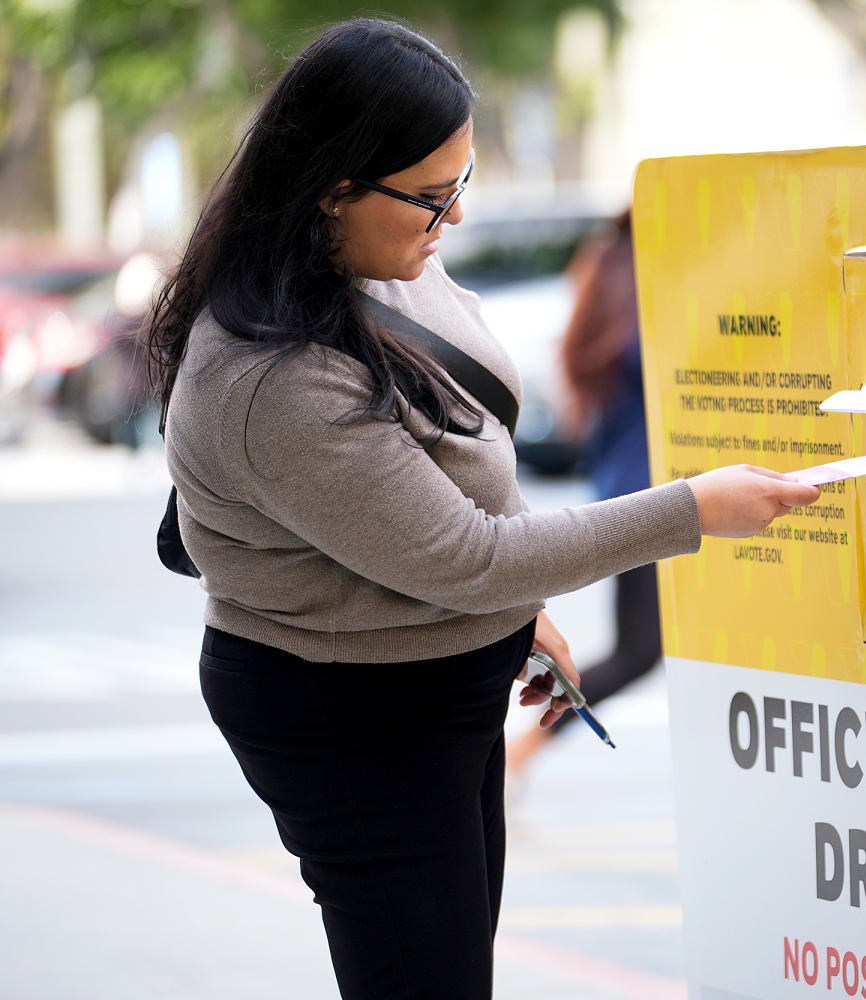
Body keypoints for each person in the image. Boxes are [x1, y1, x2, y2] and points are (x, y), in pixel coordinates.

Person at [143, 19, 819, 1000]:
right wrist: (691, 511)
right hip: (353, 714)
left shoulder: (377, 258)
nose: (452, 219)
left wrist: (516, 619)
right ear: (332, 186)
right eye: (431, 196)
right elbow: (464, 556)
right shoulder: (271, 375)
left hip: (432, 676)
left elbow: (454, 486)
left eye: (463, 184)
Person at [506, 209, 658, 775]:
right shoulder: (648, 284)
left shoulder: (609, 268)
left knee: (643, 648)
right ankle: (518, 756)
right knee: (640, 651)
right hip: (657, 498)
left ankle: (519, 756)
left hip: (629, 490)